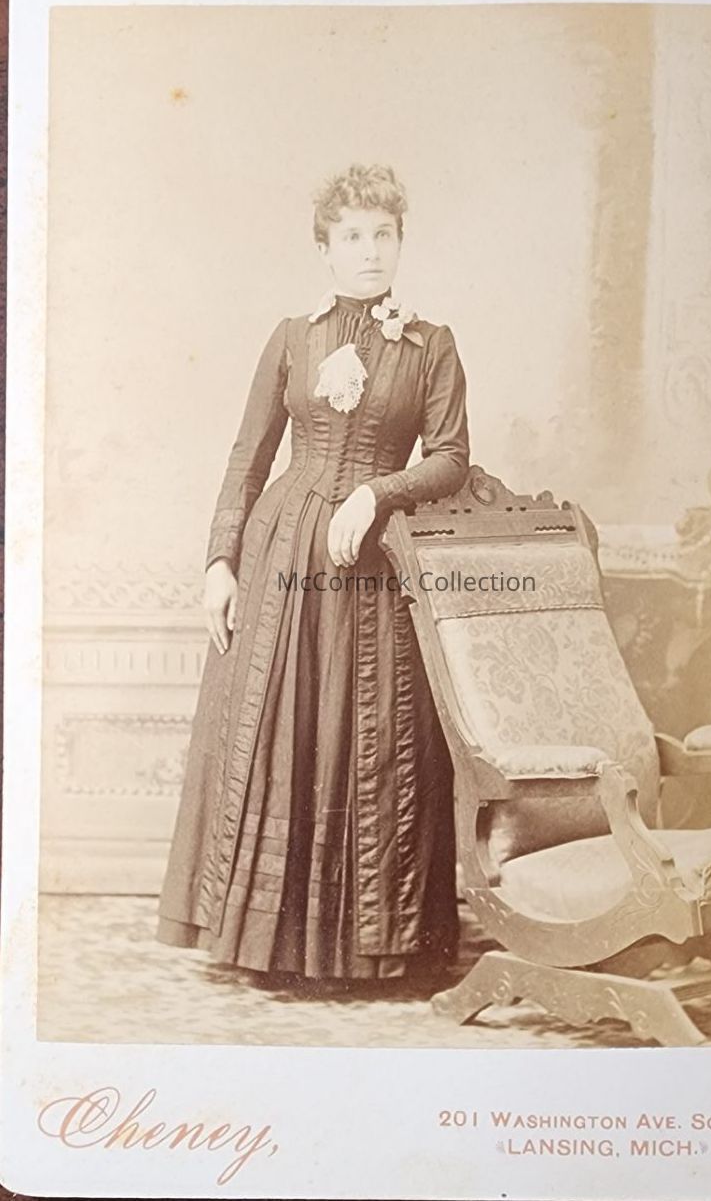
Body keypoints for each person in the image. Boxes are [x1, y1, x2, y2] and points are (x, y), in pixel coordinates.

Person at [156, 163, 471, 985]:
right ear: (326, 249)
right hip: (281, 558)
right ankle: (267, 943)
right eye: (353, 236)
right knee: (280, 729)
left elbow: (450, 458)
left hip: (375, 566)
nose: (370, 251)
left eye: (383, 234)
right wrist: (220, 561)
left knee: (368, 734)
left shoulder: (431, 344)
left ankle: (371, 948)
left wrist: (377, 491)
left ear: (400, 242)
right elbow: (248, 455)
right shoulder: (294, 337)